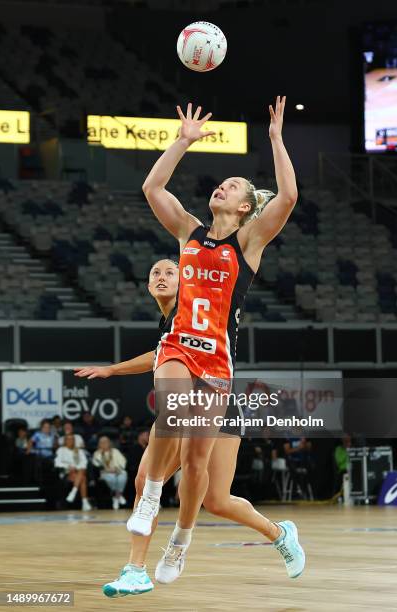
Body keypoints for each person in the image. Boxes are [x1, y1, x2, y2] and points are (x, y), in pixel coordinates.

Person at [126, 97, 305, 582]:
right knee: (169, 405)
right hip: (180, 346)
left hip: (218, 362)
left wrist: (275, 139)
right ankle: (147, 503)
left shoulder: (248, 243)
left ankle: (183, 541)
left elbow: (287, 198)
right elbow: (152, 186)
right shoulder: (188, 231)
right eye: (220, 183)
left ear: (245, 206)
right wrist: (182, 141)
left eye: (232, 186)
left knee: (205, 481)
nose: (221, 186)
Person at [76, 255, 304, 597]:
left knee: (215, 500)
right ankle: (136, 570)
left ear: (186, 282)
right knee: (150, 483)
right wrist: (112, 370)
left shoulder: (196, 308)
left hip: (220, 405)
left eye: (171, 271)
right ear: (149, 285)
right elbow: (157, 355)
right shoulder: (168, 323)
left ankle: (279, 535)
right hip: (184, 408)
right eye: (155, 272)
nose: (162, 276)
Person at [54, 433, 91, 511]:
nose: (70, 441)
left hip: (77, 472)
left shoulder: (79, 450)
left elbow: (84, 462)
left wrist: (76, 467)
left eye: (72, 439)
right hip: (66, 472)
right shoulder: (61, 450)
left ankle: (73, 491)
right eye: (68, 439)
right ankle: (84, 501)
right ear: (65, 441)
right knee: (83, 478)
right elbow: (57, 463)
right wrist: (68, 466)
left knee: (81, 474)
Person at [92, 436, 128, 510]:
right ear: (99, 444)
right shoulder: (97, 453)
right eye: (102, 442)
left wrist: (116, 469)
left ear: (109, 443)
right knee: (112, 478)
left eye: (106, 442)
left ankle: (116, 496)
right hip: (105, 472)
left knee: (123, 475)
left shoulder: (115, 451)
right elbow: (96, 464)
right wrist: (108, 470)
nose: (104, 444)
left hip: (117, 470)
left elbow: (123, 462)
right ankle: (118, 495)